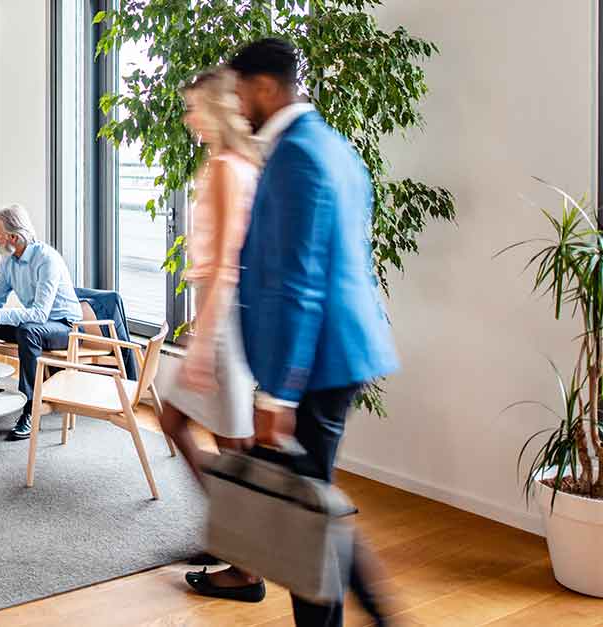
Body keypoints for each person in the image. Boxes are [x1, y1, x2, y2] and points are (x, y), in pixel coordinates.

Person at [230, 37, 399, 626]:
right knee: (307, 506)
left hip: (318, 362)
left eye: (240, 90)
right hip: (338, 353)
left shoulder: (298, 154)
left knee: (303, 518)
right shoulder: (333, 146)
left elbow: (300, 279)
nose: (238, 104)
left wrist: (279, 391)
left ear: (266, 87)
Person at [151, 67, 263, 598]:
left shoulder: (224, 167)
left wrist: (200, 341)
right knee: (228, 437)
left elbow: (223, 266)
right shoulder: (243, 164)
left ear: (216, 109)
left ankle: (246, 560)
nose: (189, 117)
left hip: (222, 317)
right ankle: (237, 541)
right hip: (229, 315)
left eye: (195, 106)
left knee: (185, 423)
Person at [0, 204, 81, 441]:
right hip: (33, 325)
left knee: (28, 331)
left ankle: (30, 410)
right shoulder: (9, 262)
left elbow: (40, 314)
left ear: (13, 236)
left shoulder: (47, 260)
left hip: (63, 326)